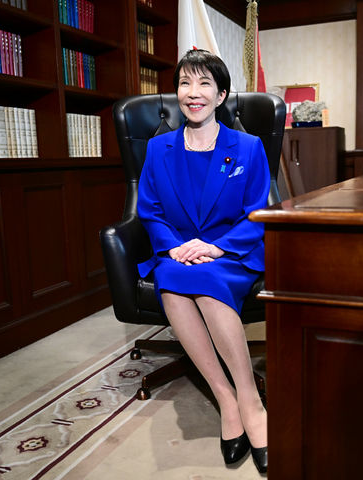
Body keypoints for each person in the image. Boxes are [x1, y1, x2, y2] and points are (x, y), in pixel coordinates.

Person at [136, 49, 269, 474]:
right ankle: (226, 398)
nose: (193, 93)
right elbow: (150, 210)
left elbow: (257, 213)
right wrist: (172, 247)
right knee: (172, 282)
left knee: (207, 284)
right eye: (185, 83)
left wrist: (216, 248)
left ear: (221, 94)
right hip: (177, 251)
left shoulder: (248, 147)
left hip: (231, 252)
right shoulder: (158, 149)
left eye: (204, 84)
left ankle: (250, 400)